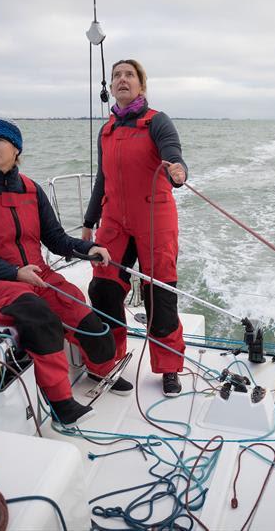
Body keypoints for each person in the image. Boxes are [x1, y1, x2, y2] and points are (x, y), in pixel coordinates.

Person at [0, 118, 133, 426]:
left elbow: (56, 238)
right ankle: (61, 404)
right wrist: (14, 272)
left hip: (39, 275)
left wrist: (90, 249)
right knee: (39, 315)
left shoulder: (32, 190)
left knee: (80, 307)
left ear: (16, 149)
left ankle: (101, 370)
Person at [81, 59, 188, 397]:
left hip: (154, 218)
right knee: (103, 290)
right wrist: (88, 221)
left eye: (129, 75)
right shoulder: (107, 130)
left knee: (160, 294)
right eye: (116, 76)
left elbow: (173, 153)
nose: (122, 80)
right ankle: (107, 362)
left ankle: (169, 367)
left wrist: (178, 171)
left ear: (141, 85)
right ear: (111, 87)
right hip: (114, 221)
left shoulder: (157, 121)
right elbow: (102, 179)